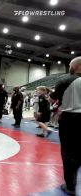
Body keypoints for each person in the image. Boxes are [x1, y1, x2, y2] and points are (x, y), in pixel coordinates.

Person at [50, 56, 81, 195]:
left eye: (71, 65)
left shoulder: (66, 79)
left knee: (68, 153)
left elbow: (53, 98)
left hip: (71, 120)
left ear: (76, 66)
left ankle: (70, 186)